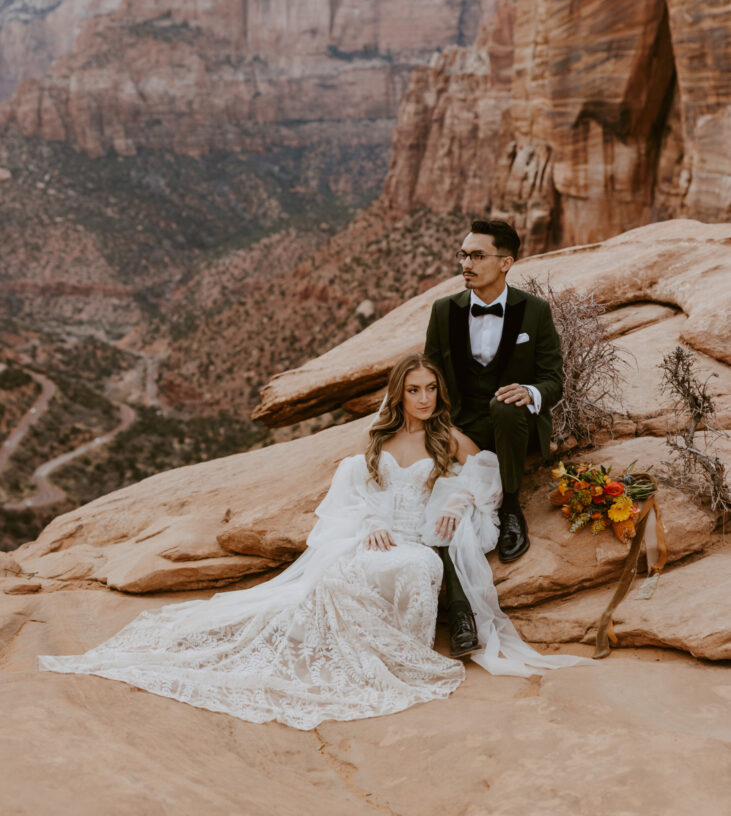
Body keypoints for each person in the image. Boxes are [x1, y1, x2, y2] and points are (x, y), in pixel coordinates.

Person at [39, 354, 584, 731]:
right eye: (413, 390)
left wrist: (458, 501)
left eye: (430, 389)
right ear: (399, 394)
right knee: (351, 574)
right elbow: (349, 499)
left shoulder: (449, 436)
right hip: (378, 538)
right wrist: (365, 526)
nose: (423, 397)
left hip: (420, 542)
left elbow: (485, 475)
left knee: (421, 570)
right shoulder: (377, 441)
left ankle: (399, 650)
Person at [425, 219, 563, 657]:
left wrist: (532, 392)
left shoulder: (534, 311)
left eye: (476, 255)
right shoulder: (444, 310)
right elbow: (429, 376)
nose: (466, 263)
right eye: (463, 255)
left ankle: (511, 505)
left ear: (506, 262)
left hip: (512, 428)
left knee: (508, 405)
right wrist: (442, 431)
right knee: (441, 512)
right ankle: (462, 617)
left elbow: (553, 378)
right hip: (460, 430)